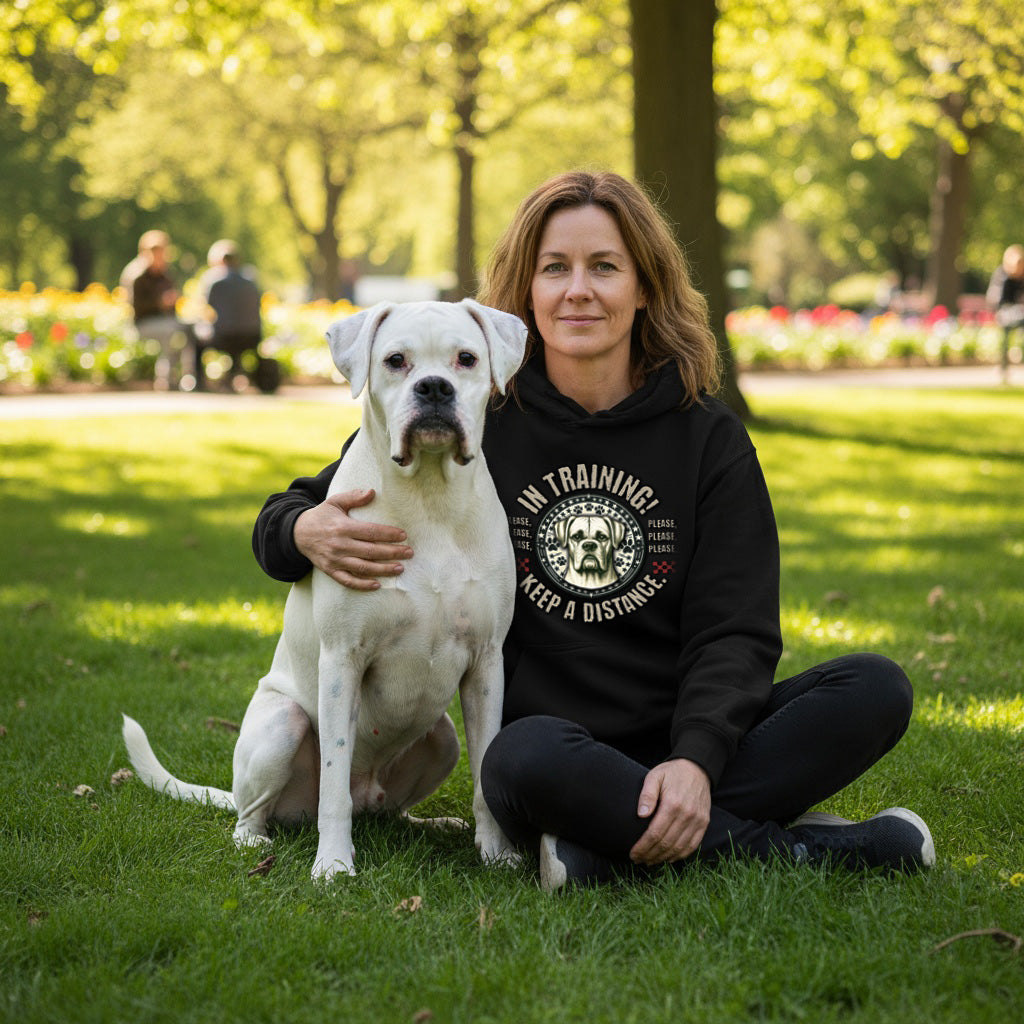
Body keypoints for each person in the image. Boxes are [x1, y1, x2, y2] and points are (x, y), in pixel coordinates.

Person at [251, 171, 934, 890]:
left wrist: (696, 760)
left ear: (645, 286)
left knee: (875, 687)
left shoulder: (709, 440)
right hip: (551, 751)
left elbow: (737, 628)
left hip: (679, 737)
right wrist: (303, 531)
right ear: (528, 290)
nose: (578, 289)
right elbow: (296, 510)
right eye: (555, 269)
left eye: (604, 266)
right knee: (518, 757)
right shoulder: (476, 417)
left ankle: (598, 847)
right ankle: (792, 848)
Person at [120, 230, 199, 390]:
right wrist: (159, 303)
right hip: (142, 324)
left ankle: (189, 376)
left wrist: (172, 301)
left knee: (190, 327)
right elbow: (135, 306)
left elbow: (173, 305)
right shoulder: (137, 275)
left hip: (165, 320)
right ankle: (165, 379)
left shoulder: (166, 274)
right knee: (172, 330)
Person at [195, 239, 277, 392]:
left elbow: (205, 308)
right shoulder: (251, 279)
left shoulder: (213, 280)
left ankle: (197, 382)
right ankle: (234, 376)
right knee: (235, 330)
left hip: (223, 337)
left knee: (196, 336)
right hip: (252, 336)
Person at [986, 244, 1024, 381]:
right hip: (1005, 312)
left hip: (1020, 313)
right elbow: (996, 299)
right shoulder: (1002, 276)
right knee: (1005, 336)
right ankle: (1004, 367)